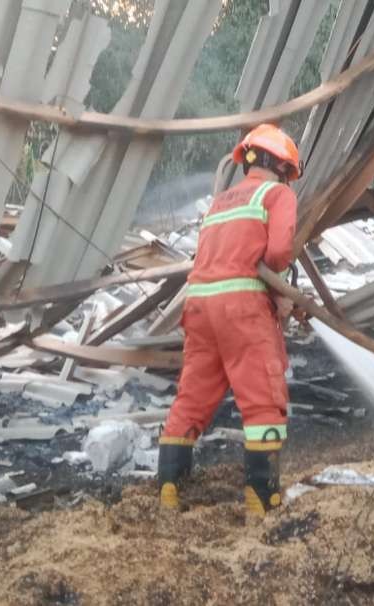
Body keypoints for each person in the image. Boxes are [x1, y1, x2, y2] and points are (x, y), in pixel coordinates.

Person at [157, 124, 302, 516]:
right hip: (241, 306)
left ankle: (170, 490)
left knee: (193, 395)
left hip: (200, 306)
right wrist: (280, 295)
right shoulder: (277, 194)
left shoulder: (219, 204)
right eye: (288, 171)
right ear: (281, 166)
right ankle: (261, 500)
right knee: (263, 398)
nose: (288, 178)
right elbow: (277, 252)